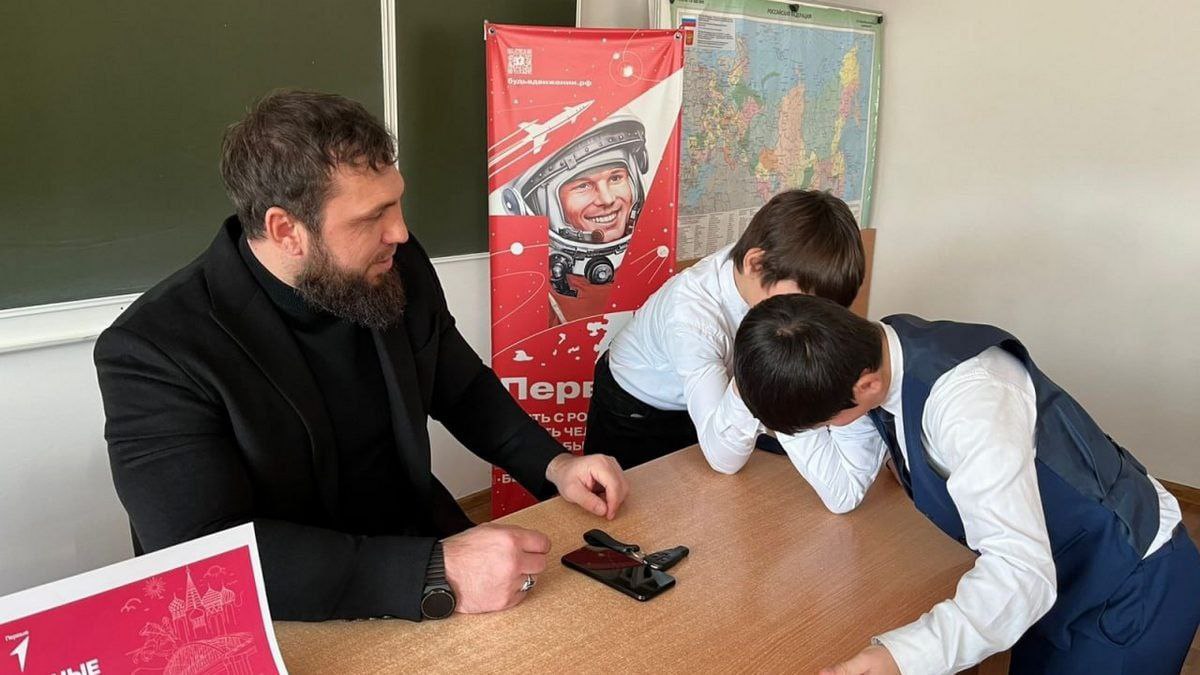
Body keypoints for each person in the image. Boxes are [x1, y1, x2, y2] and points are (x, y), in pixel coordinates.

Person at [94, 90, 628, 623]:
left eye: (396, 202)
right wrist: (432, 570)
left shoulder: (395, 264)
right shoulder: (153, 350)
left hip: (416, 538)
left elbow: (461, 389)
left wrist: (556, 464)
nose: (400, 231)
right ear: (286, 230)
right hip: (291, 600)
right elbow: (202, 553)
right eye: (373, 216)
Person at [732, 294, 1200, 674]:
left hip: (1129, 584)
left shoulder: (970, 402)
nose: (830, 430)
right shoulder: (867, 353)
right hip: (1057, 572)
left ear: (867, 387)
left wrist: (901, 657)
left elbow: (1020, 574)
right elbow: (845, 488)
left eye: (826, 424)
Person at [583, 189, 865, 470]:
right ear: (756, 264)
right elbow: (725, 460)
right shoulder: (692, 318)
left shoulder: (771, 262)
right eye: (801, 305)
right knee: (627, 491)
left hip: (698, 391)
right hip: (635, 408)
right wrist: (757, 373)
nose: (810, 321)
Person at [500, 115, 649, 322]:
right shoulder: (531, 297)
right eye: (582, 186)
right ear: (539, 205)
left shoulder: (652, 267)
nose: (607, 199)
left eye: (616, 178)